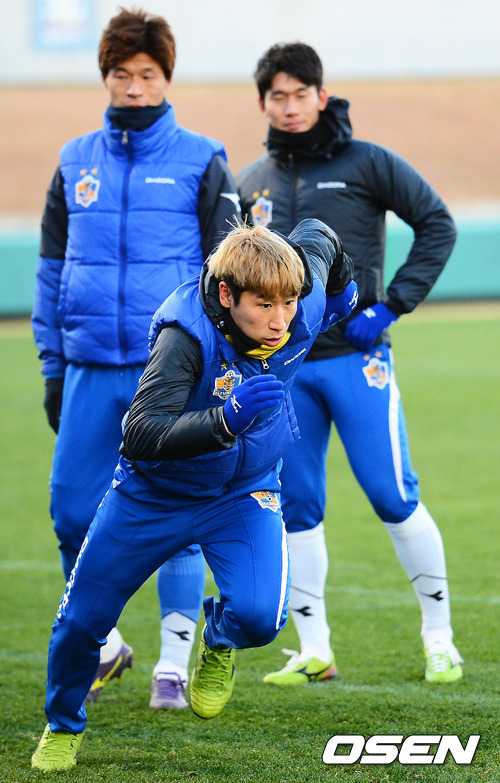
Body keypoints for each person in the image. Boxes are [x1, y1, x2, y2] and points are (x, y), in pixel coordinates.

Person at [30, 218, 357, 771]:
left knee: (260, 617)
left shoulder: (300, 300)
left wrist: (343, 287)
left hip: (243, 492)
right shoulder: (183, 336)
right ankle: (63, 724)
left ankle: (219, 639)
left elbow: (321, 234)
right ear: (227, 295)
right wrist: (224, 420)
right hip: (154, 494)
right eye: (264, 306)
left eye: (289, 303)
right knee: (82, 622)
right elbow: (140, 433)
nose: (280, 321)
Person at [31, 7, 240, 711]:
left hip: (170, 368)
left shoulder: (203, 159)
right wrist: (53, 363)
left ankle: (173, 667)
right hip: (89, 365)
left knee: (176, 516)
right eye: (122, 74)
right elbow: (50, 268)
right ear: (106, 77)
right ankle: (107, 644)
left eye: (147, 74)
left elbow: (226, 273)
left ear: (166, 77)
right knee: (70, 513)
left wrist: (218, 362)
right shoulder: (74, 160)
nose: (134, 87)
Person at [237, 42, 463, 686]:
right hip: (285, 373)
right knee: (296, 506)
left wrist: (391, 304)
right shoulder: (251, 182)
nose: (290, 106)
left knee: (393, 496)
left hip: (357, 363)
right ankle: (315, 650)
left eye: (300, 94)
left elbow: (437, 223)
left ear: (320, 94)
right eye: (277, 96)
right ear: (263, 103)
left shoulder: (368, 162)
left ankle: (440, 639)